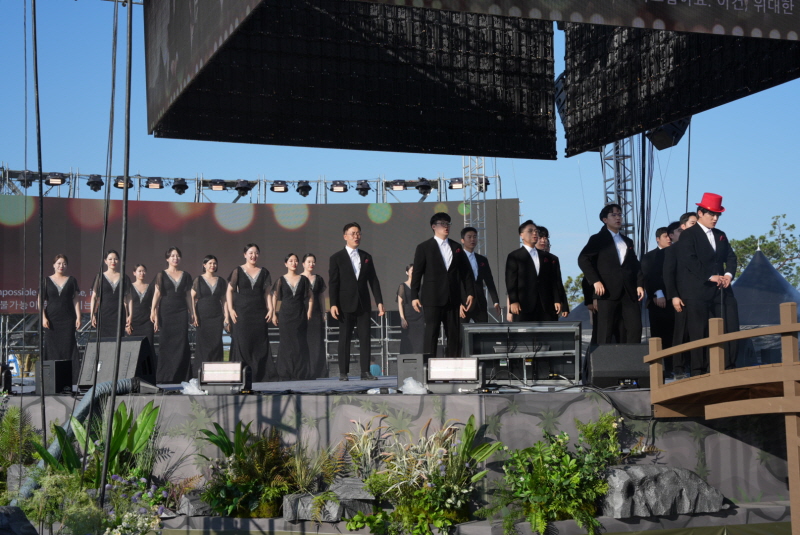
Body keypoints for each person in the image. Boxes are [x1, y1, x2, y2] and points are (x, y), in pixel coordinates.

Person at [672, 193, 739, 376]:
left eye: (718, 215)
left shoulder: (720, 235)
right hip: (697, 291)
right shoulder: (689, 235)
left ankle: (728, 366)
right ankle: (698, 371)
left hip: (721, 290)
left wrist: (728, 275)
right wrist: (710, 276)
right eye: (712, 214)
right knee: (699, 331)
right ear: (700, 213)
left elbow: (731, 258)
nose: (715, 218)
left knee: (730, 325)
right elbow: (689, 260)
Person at [410, 212, 475, 358]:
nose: (446, 227)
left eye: (448, 224)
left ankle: (454, 363)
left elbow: (466, 272)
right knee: (431, 333)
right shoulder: (424, 247)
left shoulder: (456, 247)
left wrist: (470, 292)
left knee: (454, 334)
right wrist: (414, 295)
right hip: (432, 297)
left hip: (453, 298)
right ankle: (428, 366)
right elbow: (417, 273)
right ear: (433, 226)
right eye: (443, 224)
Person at [578, 204, 644, 344]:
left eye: (619, 214)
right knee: (605, 330)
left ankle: (633, 357)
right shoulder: (597, 239)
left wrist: (639, 284)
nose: (618, 218)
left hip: (628, 291)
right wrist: (595, 281)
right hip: (606, 290)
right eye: (613, 215)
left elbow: (635, 265)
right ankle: (603, 358)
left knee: (635, 327)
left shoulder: (627, 241)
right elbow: (583, 259)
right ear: (605, 219)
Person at [329, 222, 385, 381]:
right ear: (345, 236)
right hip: (344, 304)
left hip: (363, 304)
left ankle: (365, 372)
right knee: (345, 338)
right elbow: (333, 282)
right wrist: (333, 304)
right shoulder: (336, 258)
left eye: (358, 233)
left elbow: (373, 280)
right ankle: (343, 372)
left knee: (365, 337)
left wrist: (379, 301)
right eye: (353, 233)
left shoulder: (366, 257)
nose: (356, 236)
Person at [227, 243, 274, 383]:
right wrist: (231, 309)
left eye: (256, 253)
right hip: (242, 312)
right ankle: (242, 375)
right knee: (243, 343)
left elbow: (267, 293)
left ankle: (259, 375)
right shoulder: (238, 271)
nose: (254, 255)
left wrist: (271, 309)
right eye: (251, 253)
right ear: (245, 254)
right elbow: (229, 290)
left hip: (259, 312)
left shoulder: (264, 272)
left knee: (259, 343)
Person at [506, 220, 565, 322]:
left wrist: (557, 300)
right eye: (530, 231)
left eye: (536, 231)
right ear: (521, 235)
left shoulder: (546, 257)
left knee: (547, 331)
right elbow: (511, 281)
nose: (534, 233)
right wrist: (514, 301)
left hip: (546, 305)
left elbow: (553, 280)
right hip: (524, 305)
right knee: (525, 332)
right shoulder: (515, 256)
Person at [150, 247, 193, 384]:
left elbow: (188, 295)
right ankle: (165, 377)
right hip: (166, 312)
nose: (175, 258)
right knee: (166, 343)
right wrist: (153, 310)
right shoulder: (161, 275)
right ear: (167, 259)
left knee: (182, 343)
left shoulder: (186, 275)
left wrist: (192, 311)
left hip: (181, 311)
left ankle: (182, 377)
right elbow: (157, 293)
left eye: (178, 256)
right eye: (173, 256)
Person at [663, 212, 699, 374]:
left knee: (699, 331)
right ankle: (678, 367)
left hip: (700, 296)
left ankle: (698, 366)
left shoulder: (701, 247)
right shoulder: (674, 249)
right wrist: (674, 296)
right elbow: (668, 274)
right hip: (682, 296)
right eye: (692, 223)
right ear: (683, 226)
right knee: (681, 332)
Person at [41, 254, 82, 384]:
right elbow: (40, 301)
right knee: (51, 347)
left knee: (69, 347)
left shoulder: (71, 280)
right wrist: (43, 317)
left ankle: (71, 380)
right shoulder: (46, 281)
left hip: (68, 319)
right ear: (54, 265)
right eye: (59, 263)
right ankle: (50, 380)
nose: (61, 266)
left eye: (64, 263)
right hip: (51, 319)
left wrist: (79, 316)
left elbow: (75, 299)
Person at [273, 253, 313, 381]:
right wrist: (273, 313)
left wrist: (309, 311)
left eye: (296, 261)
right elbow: (275, 296)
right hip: (285, 315)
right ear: (286, 264)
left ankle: (301, 372)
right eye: (291, 261)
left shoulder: (304, 280)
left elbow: (310, 296)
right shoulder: (281, 279)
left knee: (300, 343)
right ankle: (285, 372)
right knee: (286, 343)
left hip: (300, 314)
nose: (294, 263)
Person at [642, 227, 676, 375]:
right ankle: (660, 368)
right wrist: (657, 293)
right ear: (658, 239)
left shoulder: (677, 253)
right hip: (658, 301)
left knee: (675, 335)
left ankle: (675, 366)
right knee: (659, 335)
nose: (669, 239)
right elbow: (648, 277)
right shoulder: (649, 257)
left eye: (670, 236)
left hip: (675, 300)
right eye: (665, 236)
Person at [191, 255, 228, 375]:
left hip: (217, 315)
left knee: (217, 343)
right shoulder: (198, 280)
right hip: (202, 316)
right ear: (204, 265)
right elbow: (191, 297)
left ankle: (216, 373)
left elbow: (224, 300)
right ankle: (201, 373)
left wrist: (226, 316)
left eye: (214, 263)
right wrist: (194, 315)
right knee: (203, 344)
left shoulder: (221, 281)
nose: (212, 265)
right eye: (210, 263)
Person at [460, 227, 500, 323]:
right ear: (462, 240)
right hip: (463, 303)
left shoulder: (482, 259)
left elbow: (489, 281)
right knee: (461, 331)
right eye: (469, 237)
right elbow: (454, 283)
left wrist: (495, 301)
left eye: (475, 237)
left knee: (482, 329)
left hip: (480, 302)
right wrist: (458, 303)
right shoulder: (457, 258)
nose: (472, 239)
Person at [90, 249, 131, 339]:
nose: (113, 261)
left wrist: (130, 315)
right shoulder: (99, 277)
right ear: (105, 261)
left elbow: (129, 298)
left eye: (115, 259)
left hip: (119, 313)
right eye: (110, 259)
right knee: (103, 341)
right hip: (104, 314)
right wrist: (92, 314)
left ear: (119, 261)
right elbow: (94, 297)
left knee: (118, 339)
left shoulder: (124, 277)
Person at [301, 253, 328, 379]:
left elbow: (321, 296)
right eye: (309, 262)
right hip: (301, 313)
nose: (311, 264)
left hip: (316, 314)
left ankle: (317, 371)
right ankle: (305, 370)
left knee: (317, 342)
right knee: (303, 342)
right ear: (303, 264)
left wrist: (323, 312)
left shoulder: (319, 279)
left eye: (313, 262)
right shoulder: (299, 278)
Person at [535, 226, 569, 317]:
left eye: (545, 238)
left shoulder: (553, 259)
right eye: (540, 238)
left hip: (550, 302)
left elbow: (557, 282)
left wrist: (564, 305)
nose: (543, 241)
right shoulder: (525, 257)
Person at [126, 264, 155, 355]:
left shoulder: (150, 287)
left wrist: (156, 319)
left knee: (148, 346)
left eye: (144, 271)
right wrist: (127, 324)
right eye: (139, 271)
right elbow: (125, 305)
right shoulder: (129, 287)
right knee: (133, 348)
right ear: (134, 273)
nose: (142, 273)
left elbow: (154, 305)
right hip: (133, 321)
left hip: (147, 321)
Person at [397, 264, 425, 353]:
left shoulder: (420, 286)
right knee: (407, 341)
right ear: (407, 272)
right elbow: (400, 303)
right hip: (408, 317)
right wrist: (402, 318)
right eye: (412, 270)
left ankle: (420, 360)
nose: (414, 272)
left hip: (419, 317)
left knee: (420, 342)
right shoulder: (402, 286)